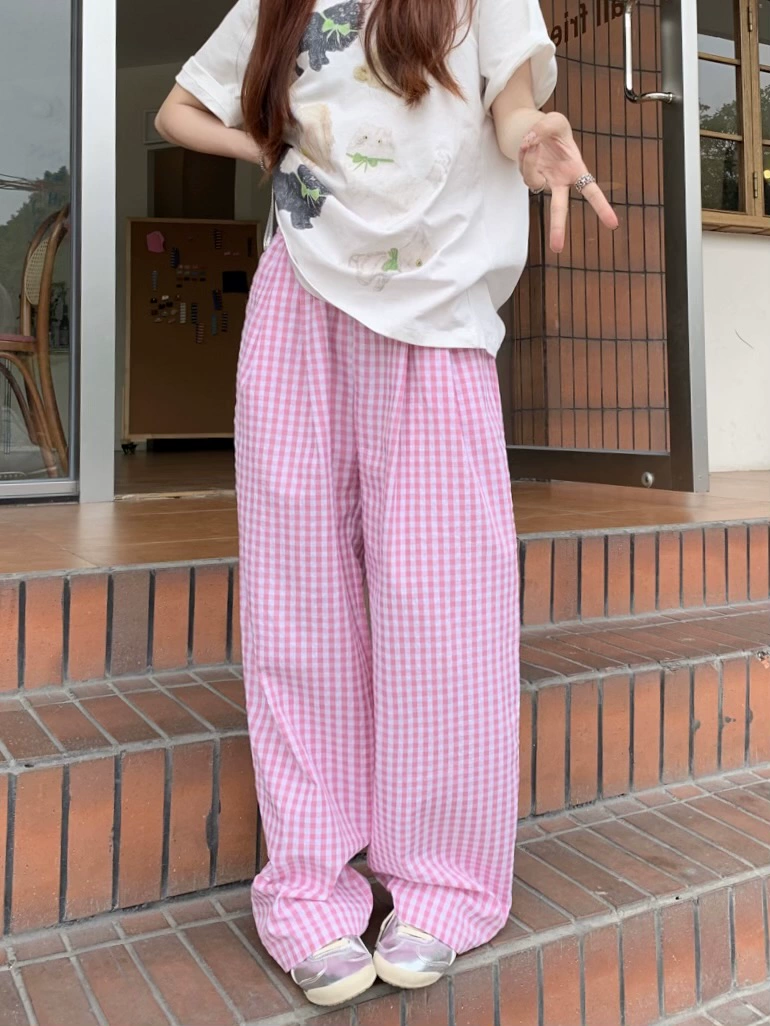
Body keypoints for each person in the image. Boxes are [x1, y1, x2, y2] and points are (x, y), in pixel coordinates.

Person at [157, 0, 617, 1008]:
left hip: (434, 307)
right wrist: (268, 148)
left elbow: (510, 106)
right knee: (299, 603)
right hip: (299, 298)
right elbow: (176, 109)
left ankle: (443, 878)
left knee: (444, 608)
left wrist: (529, 135)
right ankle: (310, 882)